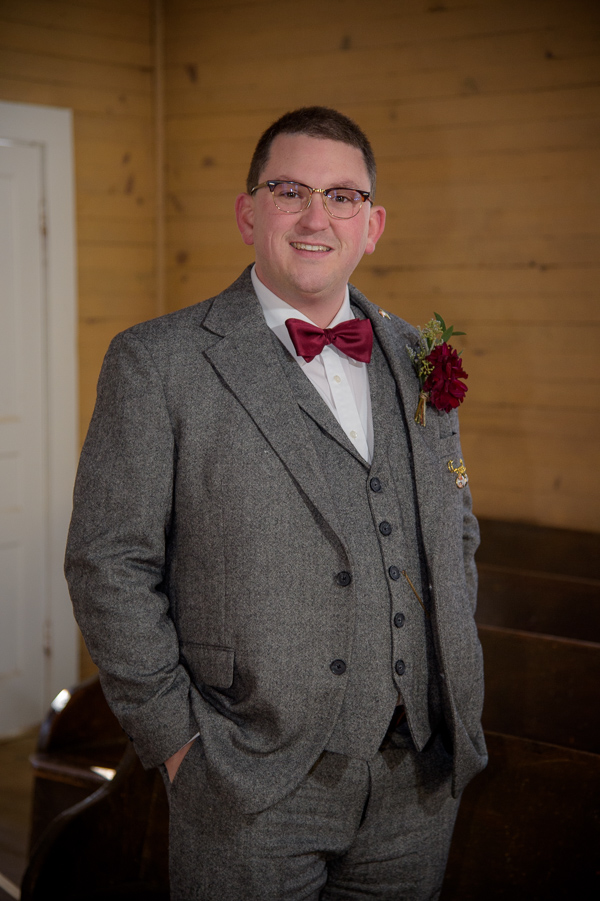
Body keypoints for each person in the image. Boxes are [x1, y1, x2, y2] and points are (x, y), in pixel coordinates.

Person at [65, 106, 486, 901]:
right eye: (290, 190)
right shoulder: (158, 363)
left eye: (342, 196)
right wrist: (178, 742)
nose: (316, 217)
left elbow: (457, 530)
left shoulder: (418, 356)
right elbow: (107, 563)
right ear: (247, 210)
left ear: (374, 223)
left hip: (418, 782)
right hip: (245, 779)